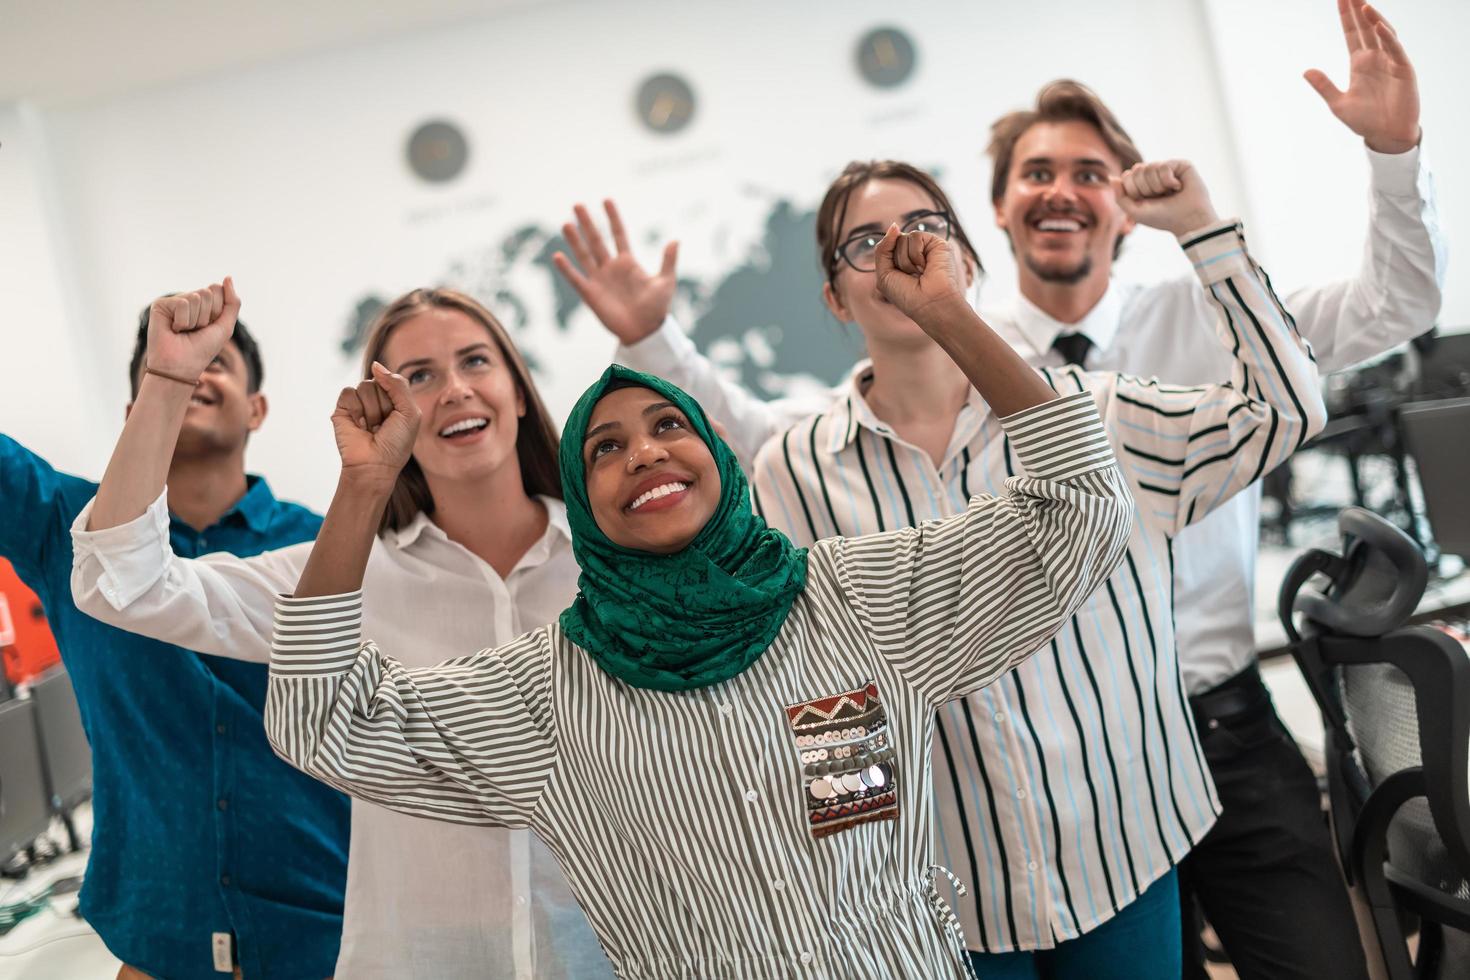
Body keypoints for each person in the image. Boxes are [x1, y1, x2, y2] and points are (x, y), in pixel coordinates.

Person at [259, 224, 1135, 979]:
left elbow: (1082, 509)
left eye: (669, 426)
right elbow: (322, 719)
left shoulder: (852, 598)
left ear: (719, 453)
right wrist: (367, 486)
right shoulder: (548, 695)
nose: (643, 454)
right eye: (604, 448)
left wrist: (946, 317)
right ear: (583, 501)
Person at [554, 147, 1326, 977]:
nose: (899, 251)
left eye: (924, 227)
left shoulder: (1091, 411)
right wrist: (852, 880)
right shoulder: (795, 468)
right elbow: (821, 689)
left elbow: (1285, 411)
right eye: (864, 242)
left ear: (967, 260)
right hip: (941, 898)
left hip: (1124, 847)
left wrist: (1204, 232)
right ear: (834, 294)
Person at [976, 5, 1442, 975]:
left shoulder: (1214, 314)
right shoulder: (961, 366)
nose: (1061, 191)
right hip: (1077, 755)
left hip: (1225, 728)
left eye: (1089, 173)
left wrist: (1395, 157)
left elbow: (1395, 303)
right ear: (1000, 204)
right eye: (1037, 172)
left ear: (1125, 204)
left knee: (1330, 963)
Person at [72, 288, 614, 977]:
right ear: (387, 410)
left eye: (476, 361)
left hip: (603, 955)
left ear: (516, 386)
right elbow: (125, 584)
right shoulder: (343, 576)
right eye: (417, 376)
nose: (452, 389)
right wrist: (168, 379)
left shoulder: (614, 564)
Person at [2, 285, 348, 979]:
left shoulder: (324, 544)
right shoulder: (73, 529)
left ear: (258, 408)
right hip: (155, 934)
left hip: (325, 927)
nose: (196, 373)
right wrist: (170, 372)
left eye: (218, 362)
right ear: (139, 414)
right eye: (172, 371)